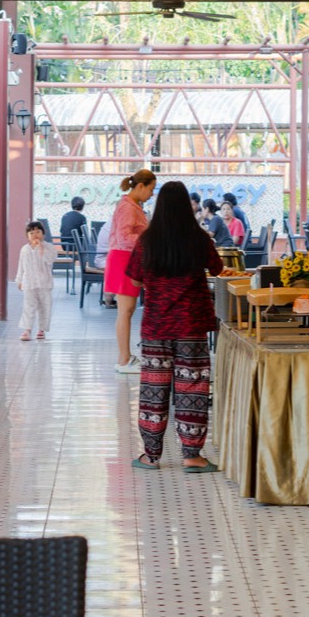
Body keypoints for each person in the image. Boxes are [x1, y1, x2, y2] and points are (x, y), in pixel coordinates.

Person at [125, 180, 224, 472]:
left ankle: (151, 456)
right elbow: (218, 269)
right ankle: (192, 455)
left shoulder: (147, 241)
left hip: (157, 326)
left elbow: (134, 280)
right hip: (191, 326)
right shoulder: (200, 239)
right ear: (187, 206)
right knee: (192, 388)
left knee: (153, 390)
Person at [105, 169, 156, 374]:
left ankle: (125, 357)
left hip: (126, 259)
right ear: (141, 186)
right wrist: (149, 241)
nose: (152, 194)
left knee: (127, 311)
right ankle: (124, 359)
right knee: (125, 311)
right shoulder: (128, 207)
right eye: (151, 189)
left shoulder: (132, 206)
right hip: (123, 259)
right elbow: (124, 236)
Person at [14, 220, 55, 341]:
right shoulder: (24, 249)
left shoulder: (49, 247)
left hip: (44, 283)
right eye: (32, 233)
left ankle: (41, 329)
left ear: (43, 233)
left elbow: (50, 260)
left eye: (38, 231)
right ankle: (27, 329)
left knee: (45, 306)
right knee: (28, 306)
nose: (35, 234)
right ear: (27, 236)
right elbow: (21, 265)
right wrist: (19, 280)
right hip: (29, 282)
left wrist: (41, 249)